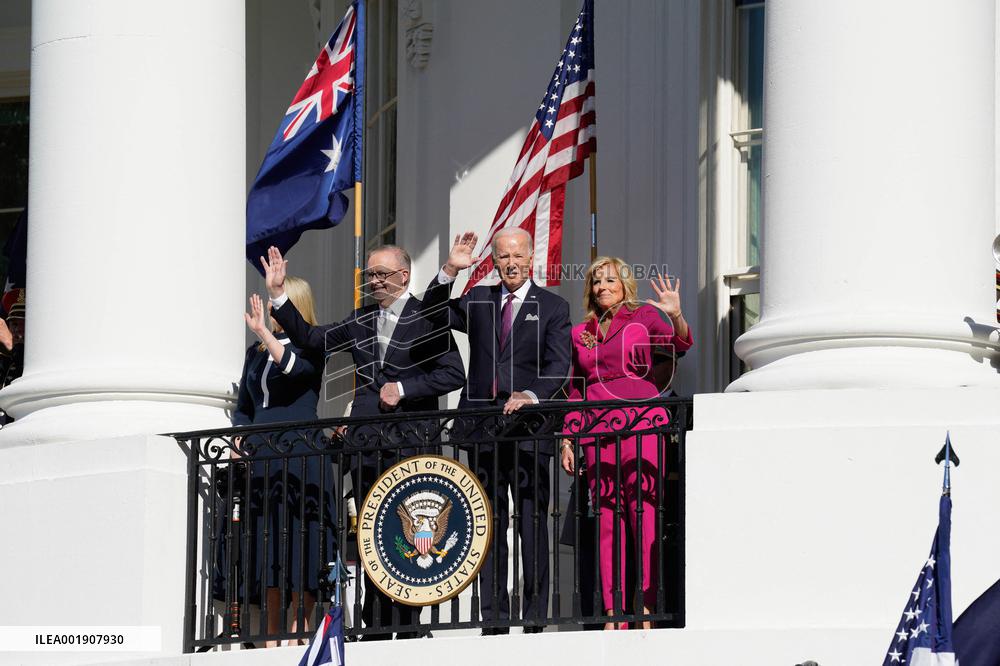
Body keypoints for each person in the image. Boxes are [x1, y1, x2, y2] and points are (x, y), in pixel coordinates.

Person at [260, 244, 465, 640]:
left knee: (409, 539)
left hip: (411, 445)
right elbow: (311, 338)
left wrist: (403, 388)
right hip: (367, 447)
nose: (374, 281)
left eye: (382, 274)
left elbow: (453, 374)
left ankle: (406, 629)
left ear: (404, 276)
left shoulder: (428, 316)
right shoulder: (361, 318)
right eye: (370, 275)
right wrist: (278, 294)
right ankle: (374, 626)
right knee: (374, 537)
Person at [418, 229, 572, 634]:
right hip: (483, 428)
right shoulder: (480, 300)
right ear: (497, 261)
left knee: (532, 523)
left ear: (530, 258)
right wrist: (451, 268)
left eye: (517, 255)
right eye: (503, 257)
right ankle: (494, 620)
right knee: (489, 524)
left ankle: (536, 616)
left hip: (529, 430)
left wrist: (531, 395)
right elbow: (431, 313)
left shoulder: (553, 307)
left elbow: (559, 366)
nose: (511, 263)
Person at [559, 257, 692, 630]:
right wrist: (569, 439)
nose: (603, 287)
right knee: (606, 520)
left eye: (610, 281)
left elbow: (679, 343)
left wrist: (675, 315)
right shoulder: (579, 331)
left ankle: (646, 606)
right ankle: (615, 612)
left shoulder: (644, 317)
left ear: (624, 285)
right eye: (596, 282)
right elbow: (575, 389)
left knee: (643, 514)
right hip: (597, 429)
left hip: (642, 421)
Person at [215, 276, 332, 647]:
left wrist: (266, 333)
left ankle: (299, 630)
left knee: (301, 539)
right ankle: (270, 633)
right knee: (267, 541)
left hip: (300, 453)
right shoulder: (255, 352)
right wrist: (238, 436)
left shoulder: (313, 344)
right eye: (268, 303)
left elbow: (294, 370)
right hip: (262, 457)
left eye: (276, 303)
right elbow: (245, 406)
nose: (268, 309)